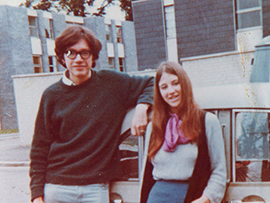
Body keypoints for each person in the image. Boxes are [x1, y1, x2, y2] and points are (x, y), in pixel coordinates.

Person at [29, 25, 154, 203]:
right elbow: (39, 148)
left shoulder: (112, 83)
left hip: (95, 190)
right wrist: (36, 195)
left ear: (93, 56)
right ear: (63, 57)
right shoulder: (51, 95)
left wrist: (143, 106)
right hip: (56, 188)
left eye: (85, 53)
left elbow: (153, 82)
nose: (78, 59)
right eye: (71, 53)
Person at [140, 61, 226, 203]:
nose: (171, 91)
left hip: (192, 196)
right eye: (164, 87)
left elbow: (219, 170)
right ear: (159, 92)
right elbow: (145, 175)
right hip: (156, 197)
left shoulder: (207, 121)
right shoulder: (154, 127)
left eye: (175, 83)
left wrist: (206, 198)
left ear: (185, 84)